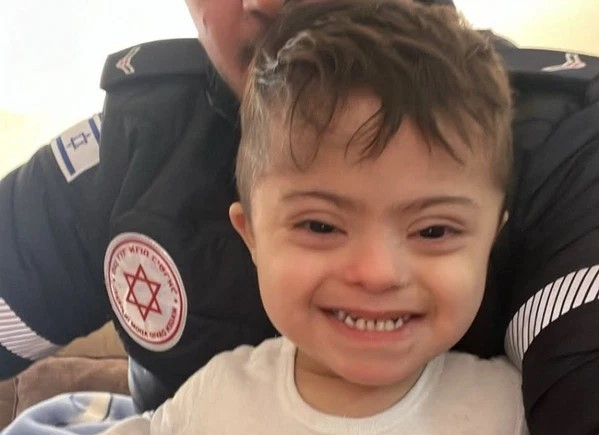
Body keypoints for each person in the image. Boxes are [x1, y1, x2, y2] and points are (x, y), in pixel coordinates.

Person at [0, 0, 597, 433]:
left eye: (434, 231)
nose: (376, 273)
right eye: (319, 224)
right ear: (249, 231)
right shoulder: (130, 145)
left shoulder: (568, 148)